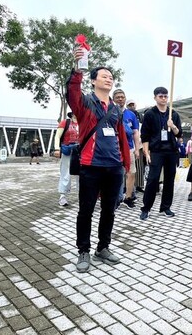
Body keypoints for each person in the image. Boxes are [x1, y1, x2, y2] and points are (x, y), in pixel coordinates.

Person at [67, 50, 131, 273]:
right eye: (104, 75)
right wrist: (77, 70)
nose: (109, 78)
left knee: (109, 211)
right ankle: (83, 250)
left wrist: (126, 165)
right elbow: (72, 92)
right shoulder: (84, 103)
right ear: (93, 80)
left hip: (113, 167)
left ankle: (103, 248)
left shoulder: (116, 109)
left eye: (111, 76)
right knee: (86, 211)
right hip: (90, 166)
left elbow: (122, 137)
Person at [139, 86, 182, 220]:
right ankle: (146, 208)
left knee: (169, 180)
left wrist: (172, 126)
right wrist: (146, 153)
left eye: (165, 96)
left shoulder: (173, 114)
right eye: (161, 96)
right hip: (156, 151)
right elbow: (145, 136)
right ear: (155, 98)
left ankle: (165, 207)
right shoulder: (150, 114)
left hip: (171, 150)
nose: (163, 99)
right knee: (152, 179)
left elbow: (179, 133)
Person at [113, 90, 141, 208]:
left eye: (122, 97)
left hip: (129, 148)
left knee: (131, 173)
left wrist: (137, 148)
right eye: (117, 97)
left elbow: (135, 132)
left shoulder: (131, 114)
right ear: (113, 99)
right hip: (113, 148)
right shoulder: (110, 112)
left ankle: (128, 197)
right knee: (114, 174)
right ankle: (115, 198)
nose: (120, 99)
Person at [53, 112, 79, 206]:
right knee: (65, 173)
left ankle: (82, 195)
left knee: (81, 174)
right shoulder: (65, 122)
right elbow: (57, 136)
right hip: (67, 150)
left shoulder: (83, 122)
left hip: (80, 152)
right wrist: (57, 149)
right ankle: (62, 196)